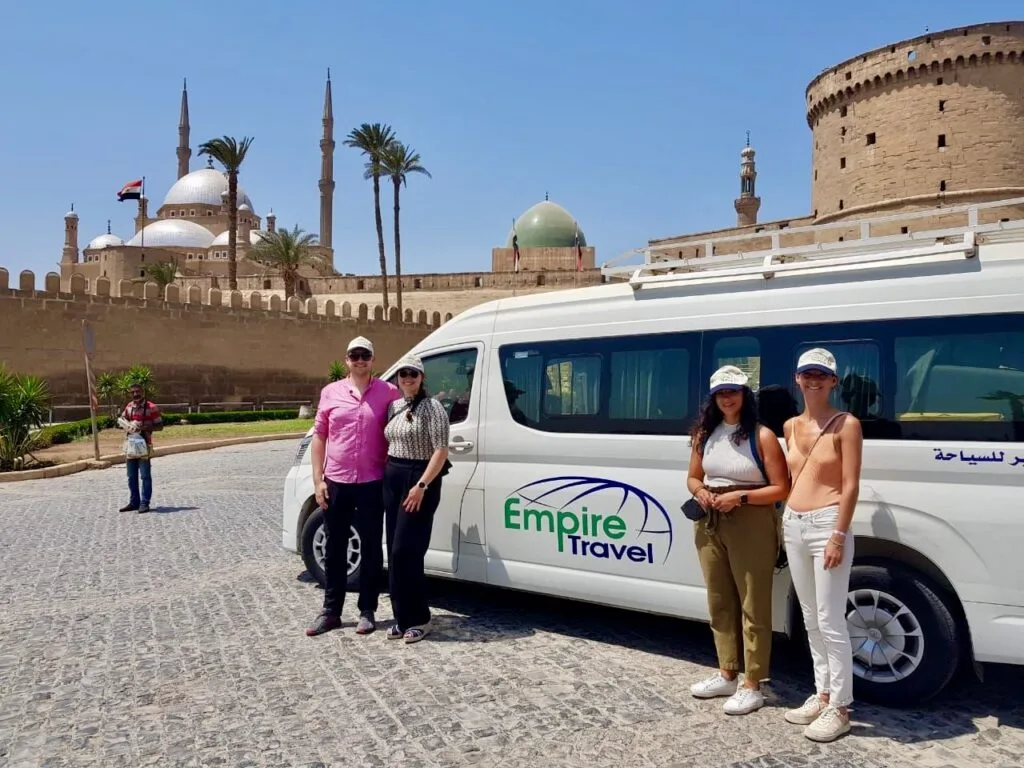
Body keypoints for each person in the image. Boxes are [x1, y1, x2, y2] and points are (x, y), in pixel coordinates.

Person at [686, 365, 790, 715]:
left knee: (753, 601)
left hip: (750, 519)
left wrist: (740, 497)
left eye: (733, 391)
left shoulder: (762, 436)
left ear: (745, 395)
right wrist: (700, 491)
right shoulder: (705, 434)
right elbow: (693, 477)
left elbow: (781, 488)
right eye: (720, 392)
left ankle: (753, 683)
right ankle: (727, 672)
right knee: (719, 599)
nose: (727, 397)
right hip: (710, 519)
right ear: (713, 398)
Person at [781, 348, 863, 742]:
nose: (813, 380)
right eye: (807, 374)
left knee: (831, 620)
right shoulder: (789, 426)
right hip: (793, 523)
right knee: (810, 617)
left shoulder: (846, 424)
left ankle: (841, 708)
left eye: (821, 375)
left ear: (833, 381)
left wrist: (838, 535)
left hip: (827, 524)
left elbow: (850, 485)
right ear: (797, 379)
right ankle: (823, 693)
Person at [305, 336, 401, 637]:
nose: (360, 360)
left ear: (373, 360)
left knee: (371, 546)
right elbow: (319, 436)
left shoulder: (389, 393)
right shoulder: (331, 392)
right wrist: (318, 480)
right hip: (337, 480)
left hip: (373, 481)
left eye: (365, 355)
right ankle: (331, 611)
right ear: (346, 359)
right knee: (335, 547)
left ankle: (367, 610)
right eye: (355, 355)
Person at [382, 354, 451, 643]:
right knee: (393, 552)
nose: (408, 378)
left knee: (406, 551)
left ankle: (420, 618)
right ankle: (402, 618)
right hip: (393, 477)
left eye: (413, 373)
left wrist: (421, 485)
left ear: (422, 377)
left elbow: (441, 450)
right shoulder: (394, 406)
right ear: (397, 378)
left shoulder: (433, 407)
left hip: (419, 480)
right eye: (403, 374)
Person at [118, 384, 163, 514]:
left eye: (137, 391)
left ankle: (144, 503)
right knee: (131, 476)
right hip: (131, 445)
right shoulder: (129, 407)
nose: (135, 394)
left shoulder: (151, 407)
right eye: (132, 392)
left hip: (144, 444)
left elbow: (160, 426)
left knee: (145, 475)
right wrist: (126, 425)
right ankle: (134, 502)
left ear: (142, 392)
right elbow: (123, 419)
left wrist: (144, 427)